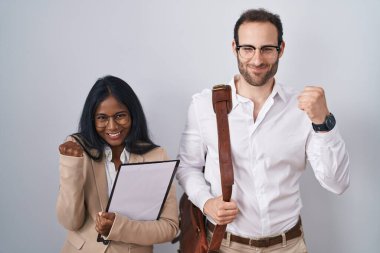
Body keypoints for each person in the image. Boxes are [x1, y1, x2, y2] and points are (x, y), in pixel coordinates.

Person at [176, 8, 349, 253]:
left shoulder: (302, 108)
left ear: (282, 48)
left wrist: (324, 123)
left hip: (288, 245)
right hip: (225, 245)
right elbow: (187, 167)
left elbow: (337, 184)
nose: (257, 60)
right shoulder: (203, 105)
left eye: (267, 48)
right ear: (234, 47)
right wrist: (206, 203)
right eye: (248, 48)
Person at [57, 75, 179, 253]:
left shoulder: (156, 156)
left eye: (120, 116)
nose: (112, 126)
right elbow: (70, 221)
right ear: (92, 119)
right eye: (102, 118)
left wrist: (118, 227)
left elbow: (170, 228)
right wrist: (71, 165)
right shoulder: (77, 148)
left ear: (132, 115)